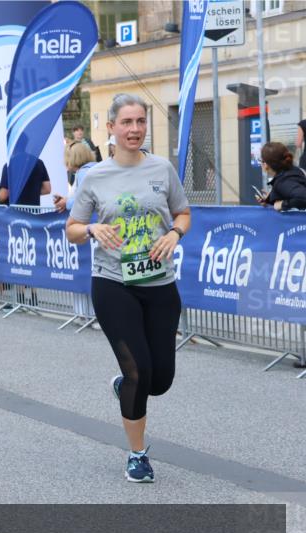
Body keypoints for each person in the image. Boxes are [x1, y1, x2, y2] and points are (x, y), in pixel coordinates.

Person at [65, 93, 191, 483]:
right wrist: (89, 228)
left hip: (159, 284)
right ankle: (138, 454)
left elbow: (183, 212)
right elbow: (71, 230)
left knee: (161, 380)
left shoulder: (162, 168)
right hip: (113, 283)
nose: (134, 130)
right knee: (139, 371)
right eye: (127, 123)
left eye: (140, 122)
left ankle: (123, 386)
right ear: (112, 127)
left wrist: (174, 233)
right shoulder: (94, 176)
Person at [53, 141, 100, 213]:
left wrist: (66, 203)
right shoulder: (94, 168)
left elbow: (85, 201)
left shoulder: (83, 173)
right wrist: (66, 201)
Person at [258, 142, 306, 211]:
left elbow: (303, 197)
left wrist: (282, 204)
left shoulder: (283, 182)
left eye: (260, 160)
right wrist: (270, 199)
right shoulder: (292, 171)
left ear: (266, 165)